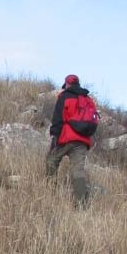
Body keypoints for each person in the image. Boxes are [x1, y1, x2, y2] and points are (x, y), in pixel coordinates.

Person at [45, 74, 97, 207]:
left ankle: (49, 194)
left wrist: (54, 136)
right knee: (78, 171)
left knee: (51, 161)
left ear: (67, 84)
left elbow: (58, 118)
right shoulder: (87, 99)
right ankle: (80, 204)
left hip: (66, 137)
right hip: (83, 141)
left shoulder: (64, 96)